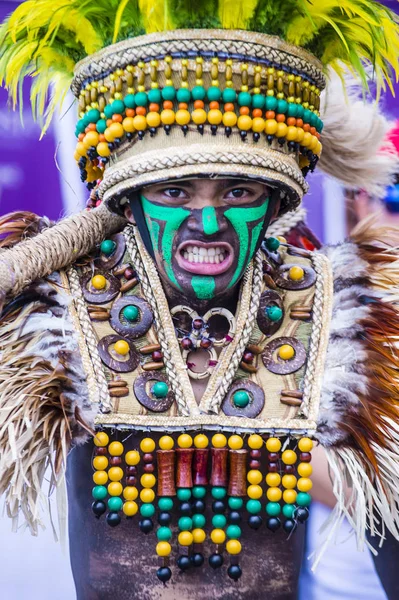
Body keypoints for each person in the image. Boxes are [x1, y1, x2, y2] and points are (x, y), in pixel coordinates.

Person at [0, 2, 399, 599]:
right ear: (127, 203)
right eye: (175, 189)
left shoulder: (339, 310)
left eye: (237, 190)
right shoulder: (58, 312)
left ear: (274, 202)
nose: (208, 219)